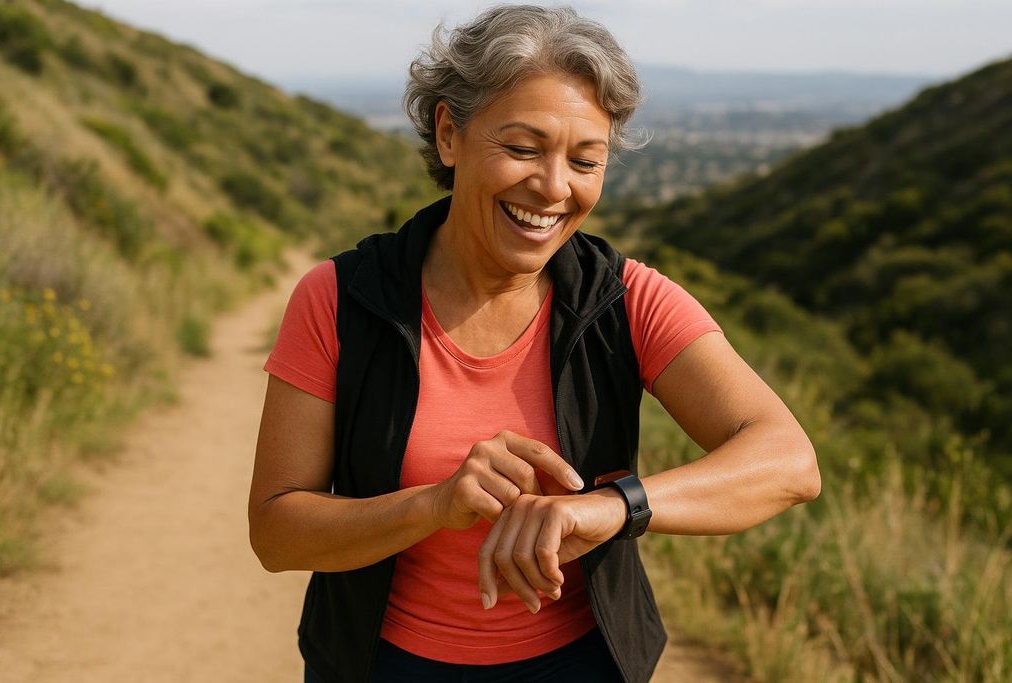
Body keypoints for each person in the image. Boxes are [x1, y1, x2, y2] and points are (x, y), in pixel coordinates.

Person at [248, 5, 821, 682]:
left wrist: (611, 507)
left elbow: (789, 462)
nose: (553, 188)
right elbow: (277, 532)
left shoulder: (627, 300)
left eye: (586, 159)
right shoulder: (339, 297)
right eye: (522, 148)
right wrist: (434, 504)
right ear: (449, 132)